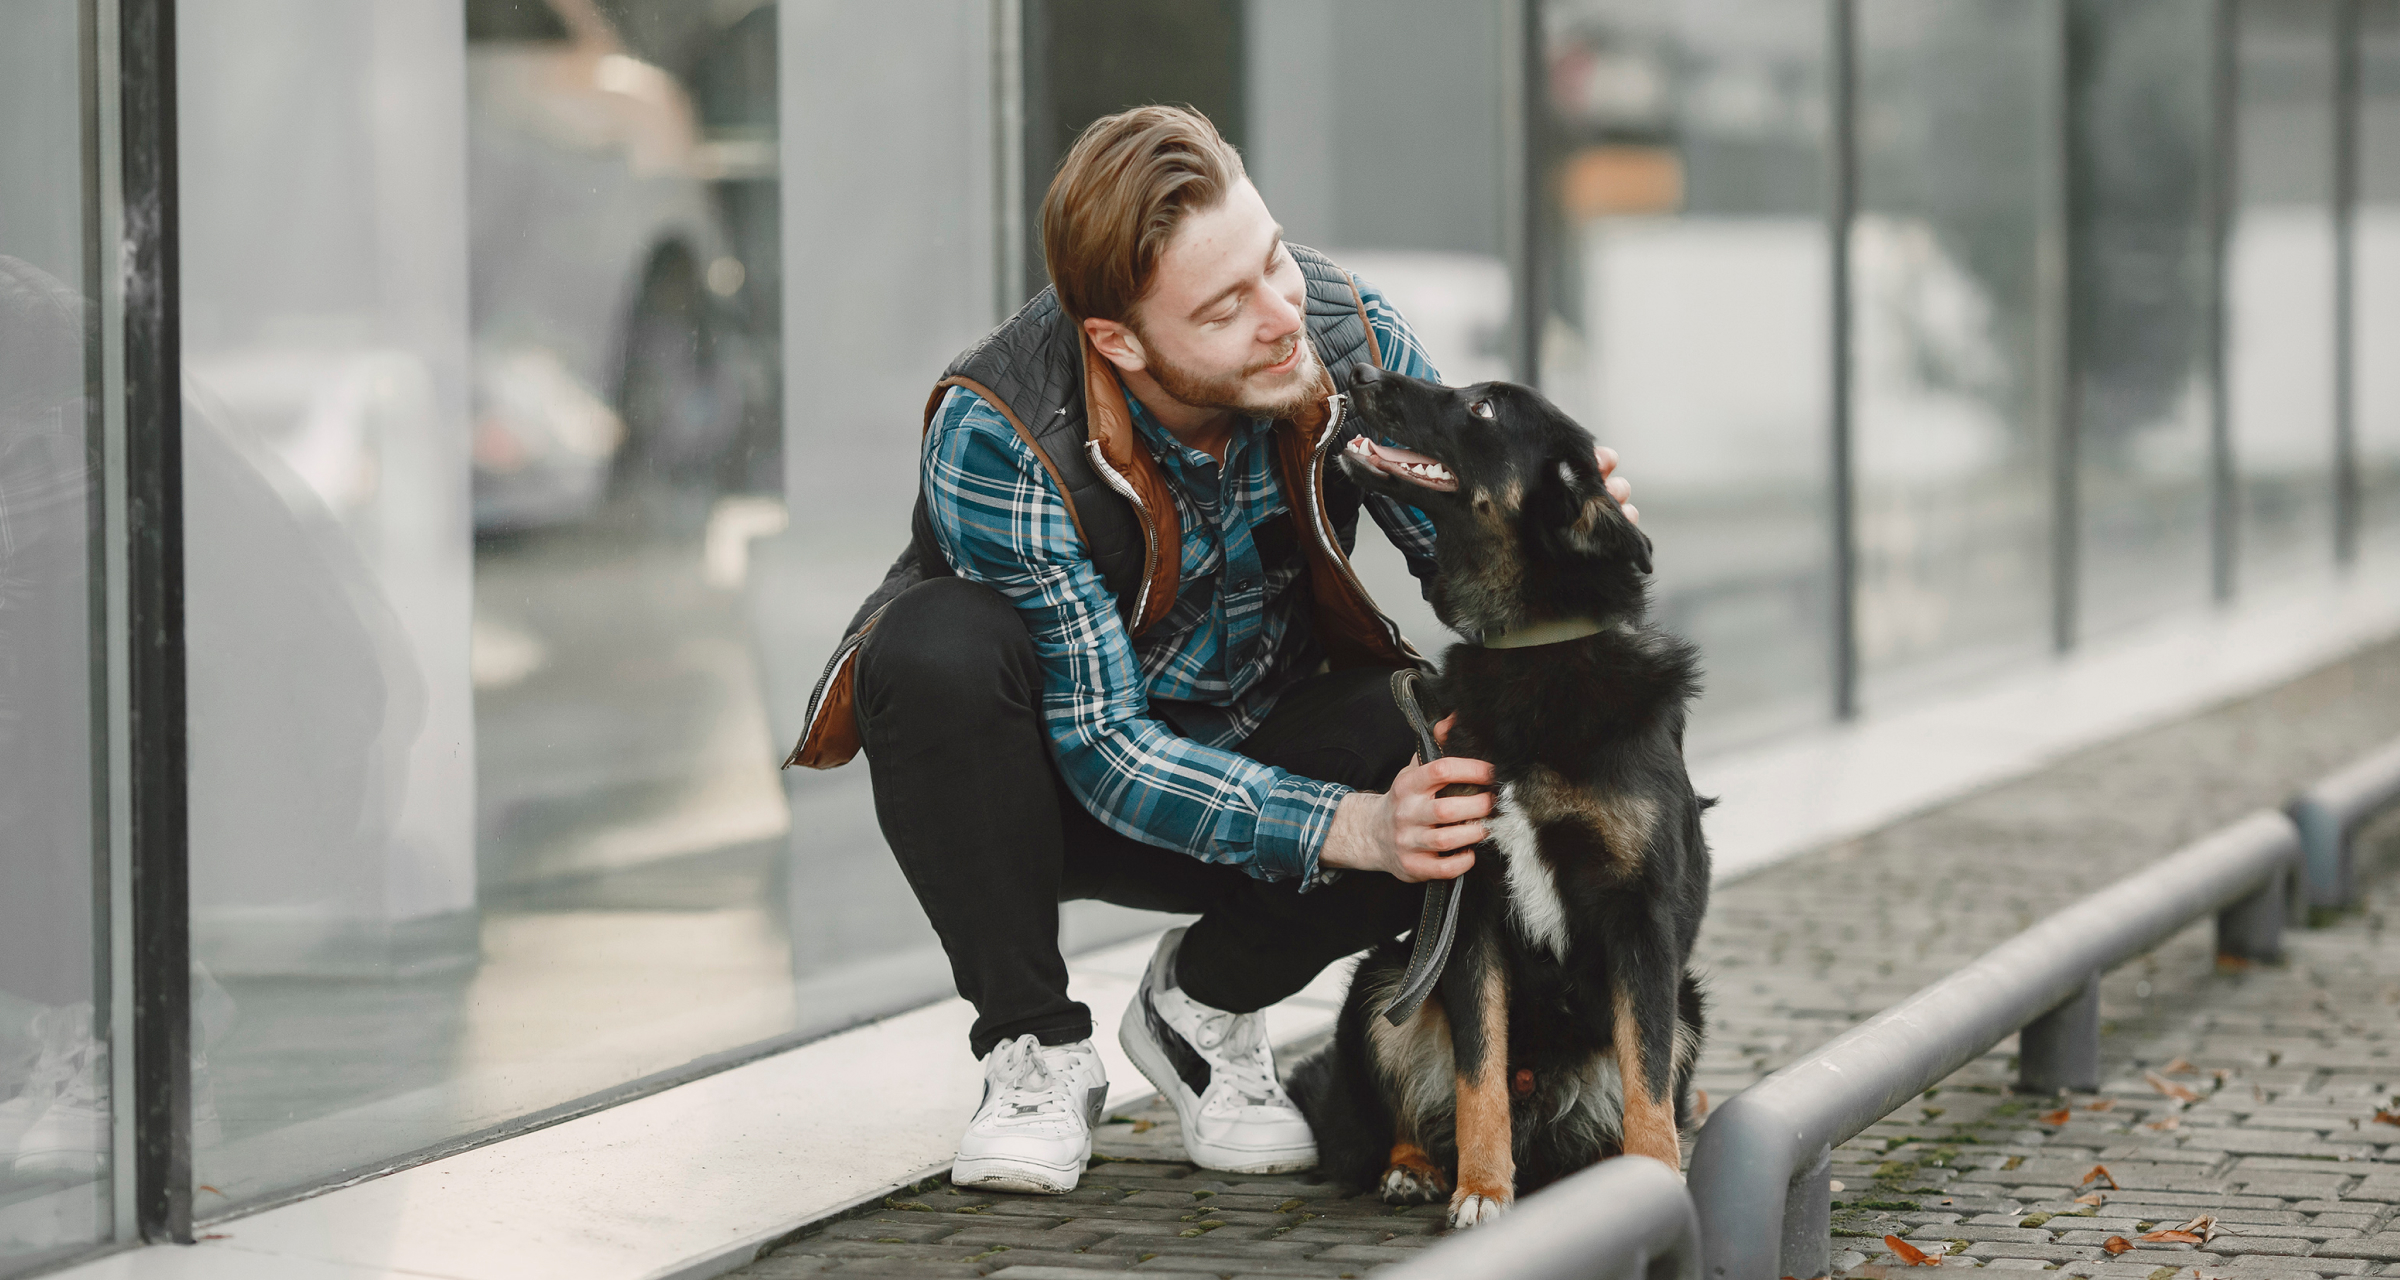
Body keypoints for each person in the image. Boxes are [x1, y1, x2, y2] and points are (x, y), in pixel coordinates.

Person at [784, 106, 1636, 1194]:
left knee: (1440, 745)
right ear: (1119, 341)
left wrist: (1560, 545)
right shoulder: (1000, 427)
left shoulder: (1345, 334)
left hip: (1267, 743)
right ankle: (1034, 1046)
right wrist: (1354, 827)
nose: (1281, 317)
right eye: (1225, 307)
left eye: (1272, 259)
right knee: (931, 649)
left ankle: (1203, 1003)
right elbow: (1104, 746)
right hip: (1053, 789)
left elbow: (1477, 578)